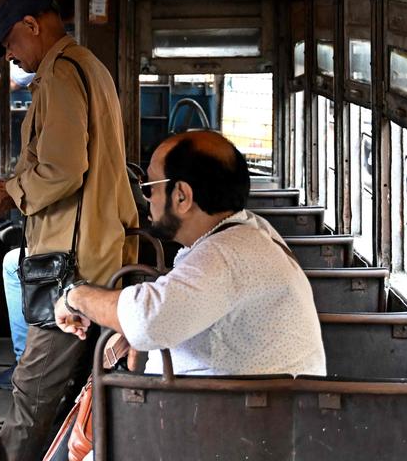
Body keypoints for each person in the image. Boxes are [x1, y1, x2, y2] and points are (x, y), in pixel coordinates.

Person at [0, 0, 139, 461]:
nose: (9, 55)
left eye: (10, 43)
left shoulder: (62, 74)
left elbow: (64, 170)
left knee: (34, 391)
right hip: (97, 248)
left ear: (33, 25)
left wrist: (11, 192)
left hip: (74, 265)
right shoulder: (86, 66)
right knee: (74, 391)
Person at [53, 130, 326, 377]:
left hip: (233, 421)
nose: (146, 198)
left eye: (149, 187)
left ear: (182, 196)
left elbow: (147, 320)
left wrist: (76, 296)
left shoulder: (225, 254)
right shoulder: (250, 233)